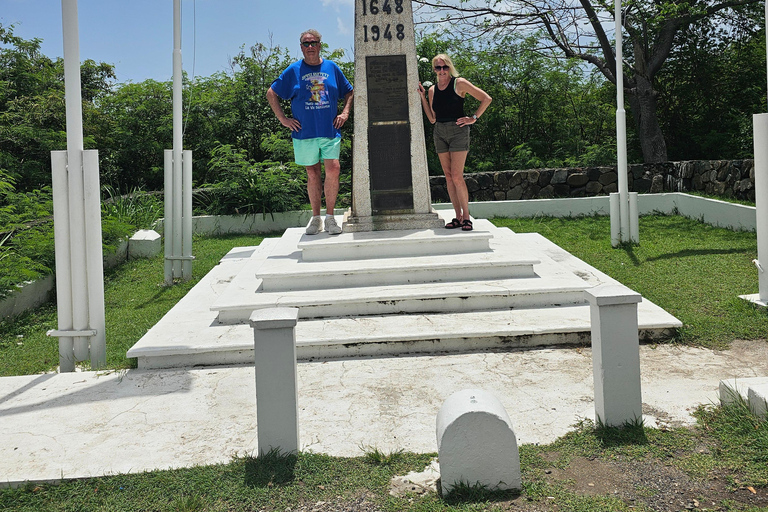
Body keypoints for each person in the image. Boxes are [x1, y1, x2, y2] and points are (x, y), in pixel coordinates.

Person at [267, 29, 354, 235]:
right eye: (306, 44)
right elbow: (272, 93)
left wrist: (345, 112)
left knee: (333, 169)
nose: (310, 47)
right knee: (312, 173)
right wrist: (283, 119)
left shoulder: (332, 67)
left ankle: (331, 217)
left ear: (320, 45)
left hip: (330, 130)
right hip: (304, 132)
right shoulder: (294, 70)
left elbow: (349, 91)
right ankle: (316, 218)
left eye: (313, 42)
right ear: (301, 47)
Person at [418, 54, 492, 232]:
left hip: (458, 130)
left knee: (457, 176)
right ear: (434, 70)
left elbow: (486, 99)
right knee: (449, 177)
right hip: (440, 132)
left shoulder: (459, 83)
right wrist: (422, 97)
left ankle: (467, 217)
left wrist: (473, 118)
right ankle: (457, 216)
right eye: (438, 68)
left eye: (445, 67)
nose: (442, 70)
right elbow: (432, 119)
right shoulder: (432, 90)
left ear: (449, 67)